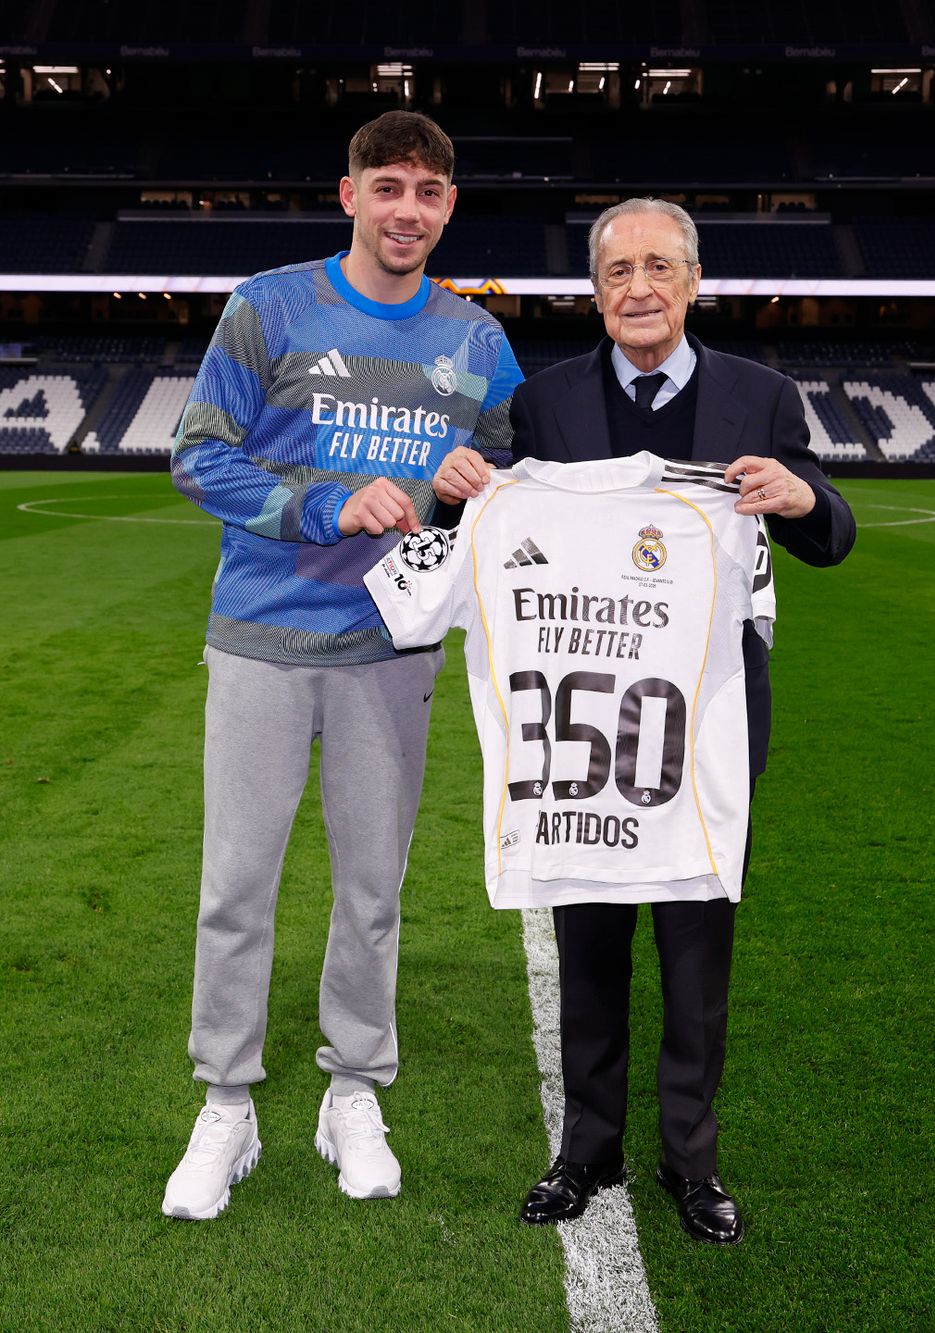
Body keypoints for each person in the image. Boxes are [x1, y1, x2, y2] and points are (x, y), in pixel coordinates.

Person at [162, 110, 522, 1220]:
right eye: (388, 187)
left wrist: (478, 482)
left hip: (390, 652)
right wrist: (317, 503)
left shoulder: (478, 345)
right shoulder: (267, 305)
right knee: (237, 886)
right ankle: (228, 1101)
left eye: (427, 191)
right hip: (263, 640)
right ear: (350, 194)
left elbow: (503, 485)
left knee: (372, 891)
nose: (407, 209)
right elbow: (196, 454)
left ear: (449, 206)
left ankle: (352, 1090)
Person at [508, 198, 855, 1243]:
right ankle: (587, 1147)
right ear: (595, 289)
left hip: (709, 729)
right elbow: (500, 529)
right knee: (589, 943)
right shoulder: (544, 404)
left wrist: (799, 496)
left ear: (694, 280)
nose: (639, 289)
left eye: (659, 267)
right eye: (617, 272)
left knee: (697, 951)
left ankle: (691, 1161)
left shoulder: (761, 395)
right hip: (587, 731)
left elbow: (829, 534)